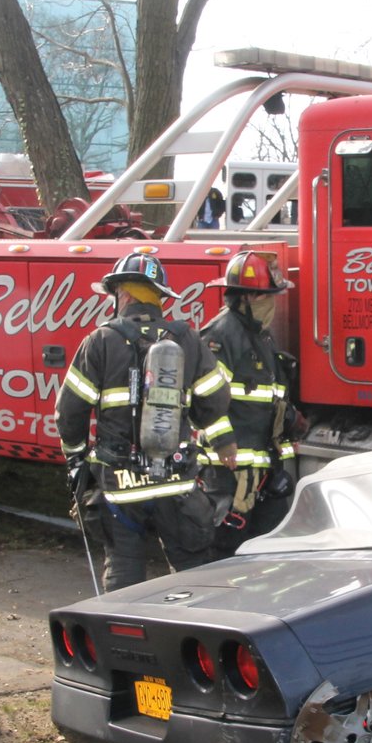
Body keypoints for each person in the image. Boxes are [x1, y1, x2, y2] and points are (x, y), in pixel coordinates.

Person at [55, 253, 237, 590]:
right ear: (160, 297)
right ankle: (192, 635)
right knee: (192, 574)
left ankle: (126, 638)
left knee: (124, 574)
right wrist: (206, 429)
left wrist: (76, 458)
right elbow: (215, 399)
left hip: (121, 487)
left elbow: (70, 413)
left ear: (121, 294)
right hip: (177, 483)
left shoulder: (100, 342)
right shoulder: (186, 338)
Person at [201, 250, 306, 554]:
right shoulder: (221, 335)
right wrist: (223, 443)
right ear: (245, 297)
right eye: (265, 296)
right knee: (226, 554)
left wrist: (291, 422)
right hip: (230, 474)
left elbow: (267, 397)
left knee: (265, 553)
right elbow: (203, 396)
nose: (271, 303)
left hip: (264, 469)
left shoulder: (262, 336)